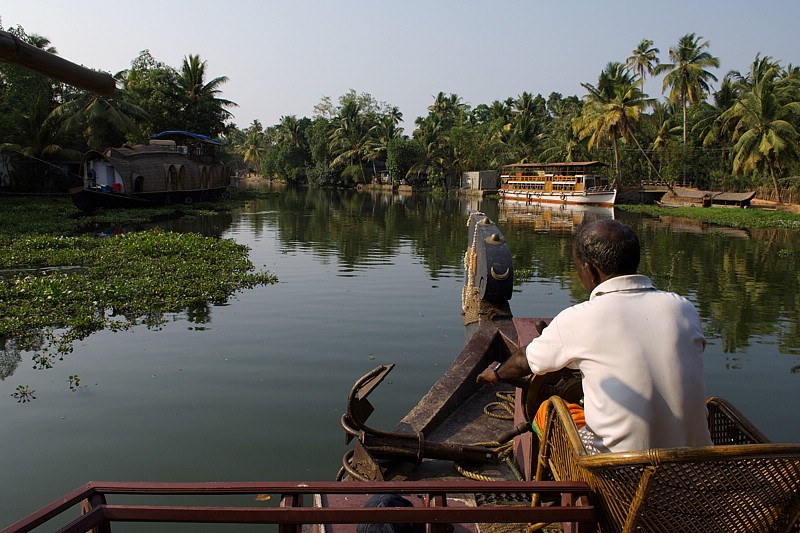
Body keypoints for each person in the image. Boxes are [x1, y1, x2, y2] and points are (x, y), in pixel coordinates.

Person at [477, 219, 713, 454]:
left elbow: (523, 362)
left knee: (545, 412)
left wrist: (496, 373)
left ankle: (550, 482)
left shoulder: (580, 318)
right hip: (691, 468)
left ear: (589, 270)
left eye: (578, 267)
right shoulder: (684, 309)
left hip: (616, 474)